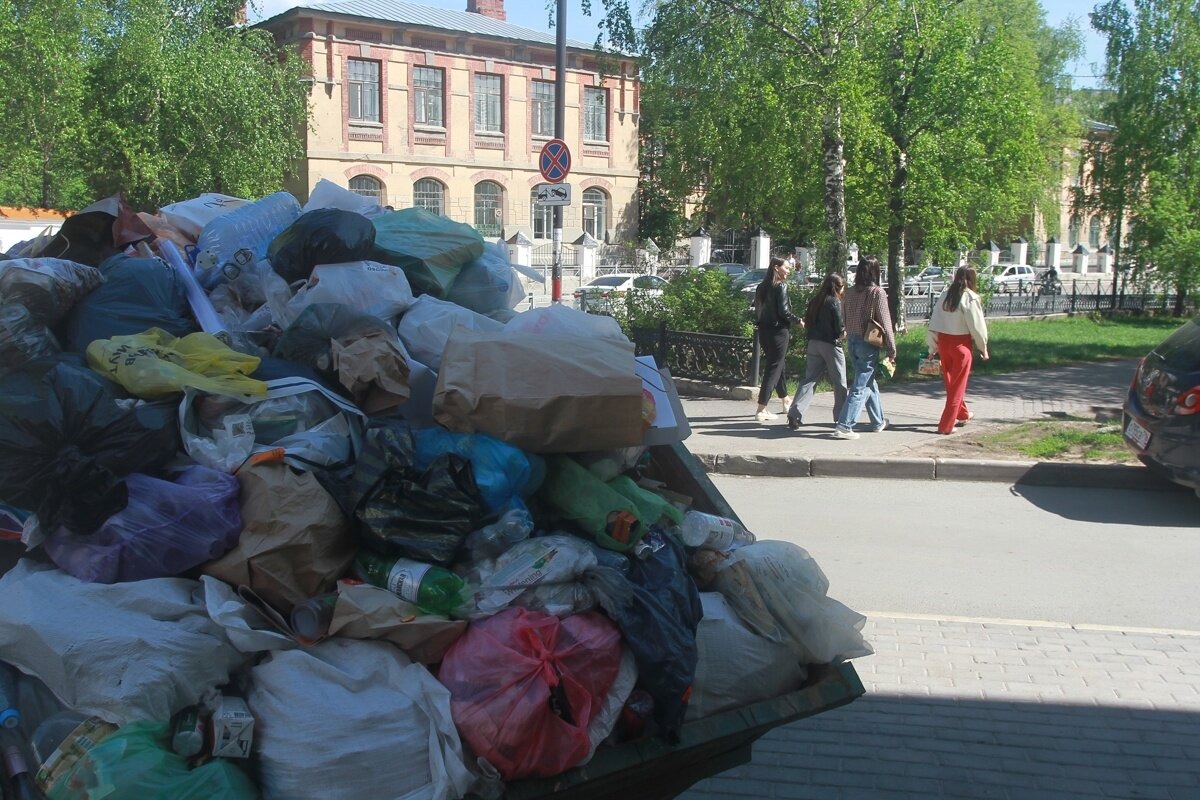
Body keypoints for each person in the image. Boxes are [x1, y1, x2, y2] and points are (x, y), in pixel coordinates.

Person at [833, 256, 896, 440]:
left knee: (868, 381)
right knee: (860, 386)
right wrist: (892, 349)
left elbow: (843, 316)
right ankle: (844, 426)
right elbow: (886, 322)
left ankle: (878, 422)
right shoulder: (877, 293)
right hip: (868, 342)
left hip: (851, 340)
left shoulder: (850, 292)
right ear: (876, 272)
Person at [927, 265, 989, 434]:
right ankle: (946, 425)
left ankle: (962, 414)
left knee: (951, 383)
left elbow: (934, 323)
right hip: (961, 345)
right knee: (957, 386)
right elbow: (977, 327)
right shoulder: (970, 298)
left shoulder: (945, 295)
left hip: (943, 343)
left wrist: (932, 347)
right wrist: (983, 347)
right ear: (972, 279)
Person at [787, 272, 848, 430]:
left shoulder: (815, 300)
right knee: (839, 381)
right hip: (831, 345)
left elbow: (808, 322)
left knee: (810, 379)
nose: (843, 291)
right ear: (837, 287)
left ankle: (795, 412)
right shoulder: (834, 301)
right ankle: (841, 417)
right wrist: (844, 333)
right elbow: (839, 326)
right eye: (842, 288)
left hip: (813, 343)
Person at [753, 256, 799, 422]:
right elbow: (784, 312)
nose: (788, 271)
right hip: (779, 331)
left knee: (778, 365)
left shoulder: (761, 287)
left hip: (764, 331)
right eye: (786, 268)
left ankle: (785, 400)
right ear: (776, 268)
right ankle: (761, 408)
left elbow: (757, 310)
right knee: (774, 368)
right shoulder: (781, 286)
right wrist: (798, 320)